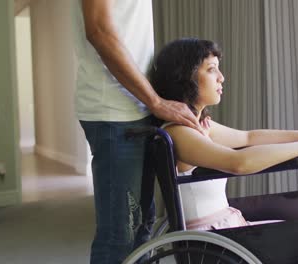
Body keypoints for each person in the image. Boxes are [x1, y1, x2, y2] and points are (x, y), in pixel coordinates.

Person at [150, 38, 298, 263]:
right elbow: (239, 162)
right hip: (211, 242)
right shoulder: (180, 132)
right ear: (185, 77)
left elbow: (249, 137)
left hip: (228, 230)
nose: (221, 77)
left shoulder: (199, 127)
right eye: (212, 70)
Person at [71, 1, 205, 263]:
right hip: (114, 113)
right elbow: (98, 29)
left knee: (142, 227)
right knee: (119, 236)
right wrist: (156, 101)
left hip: (138, 107)